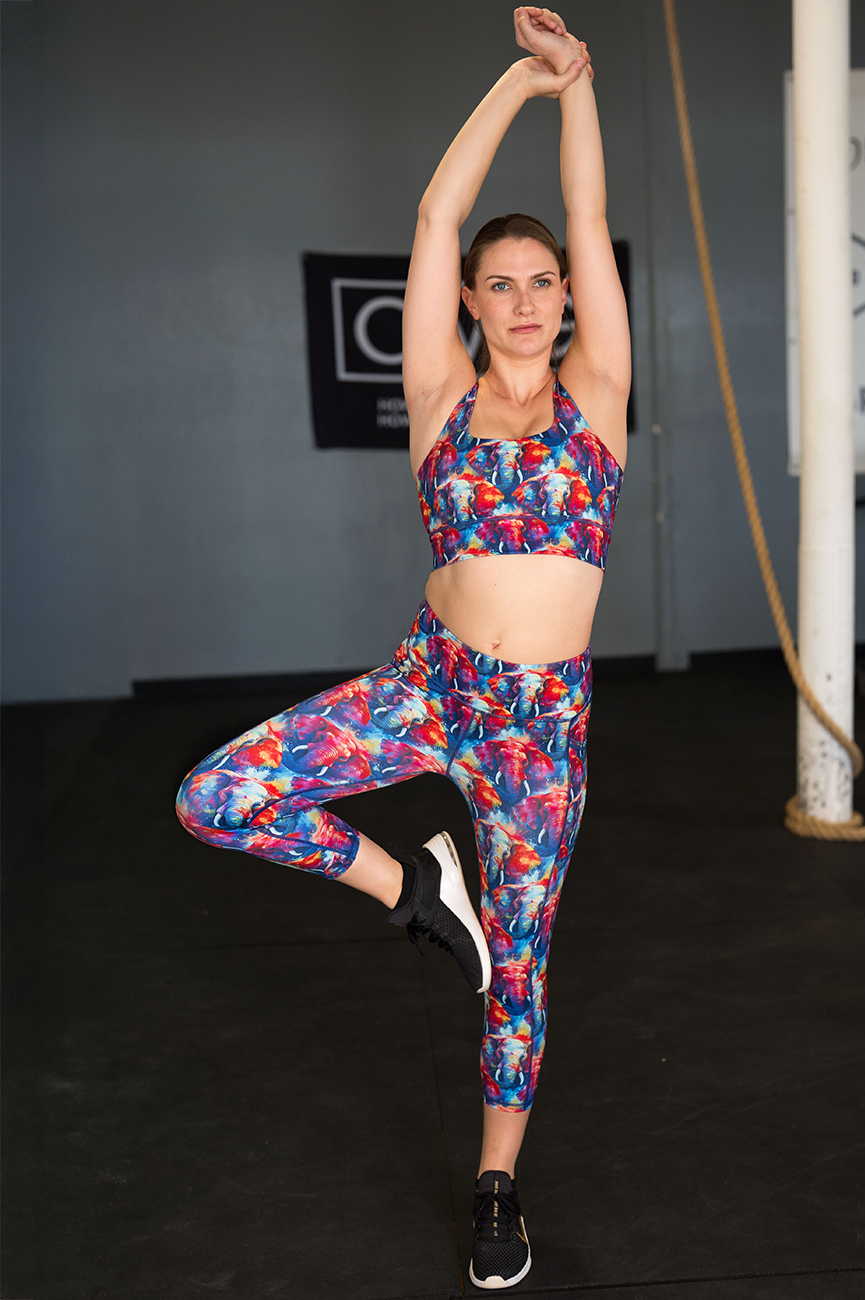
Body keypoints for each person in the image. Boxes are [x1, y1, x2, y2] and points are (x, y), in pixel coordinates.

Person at [175, 6, 630, 1289]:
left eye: (547, 283)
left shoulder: (599, 398)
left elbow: (588, 219)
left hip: (540, 728)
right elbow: (438, 212)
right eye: (507, 284)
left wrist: (577, 85)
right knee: (217, 795)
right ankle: (414, 891)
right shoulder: (438, 401)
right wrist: (516, 79)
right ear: (473, 305)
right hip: (433, 686)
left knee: (522, 969)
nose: (533, 300)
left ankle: (497, 1185)